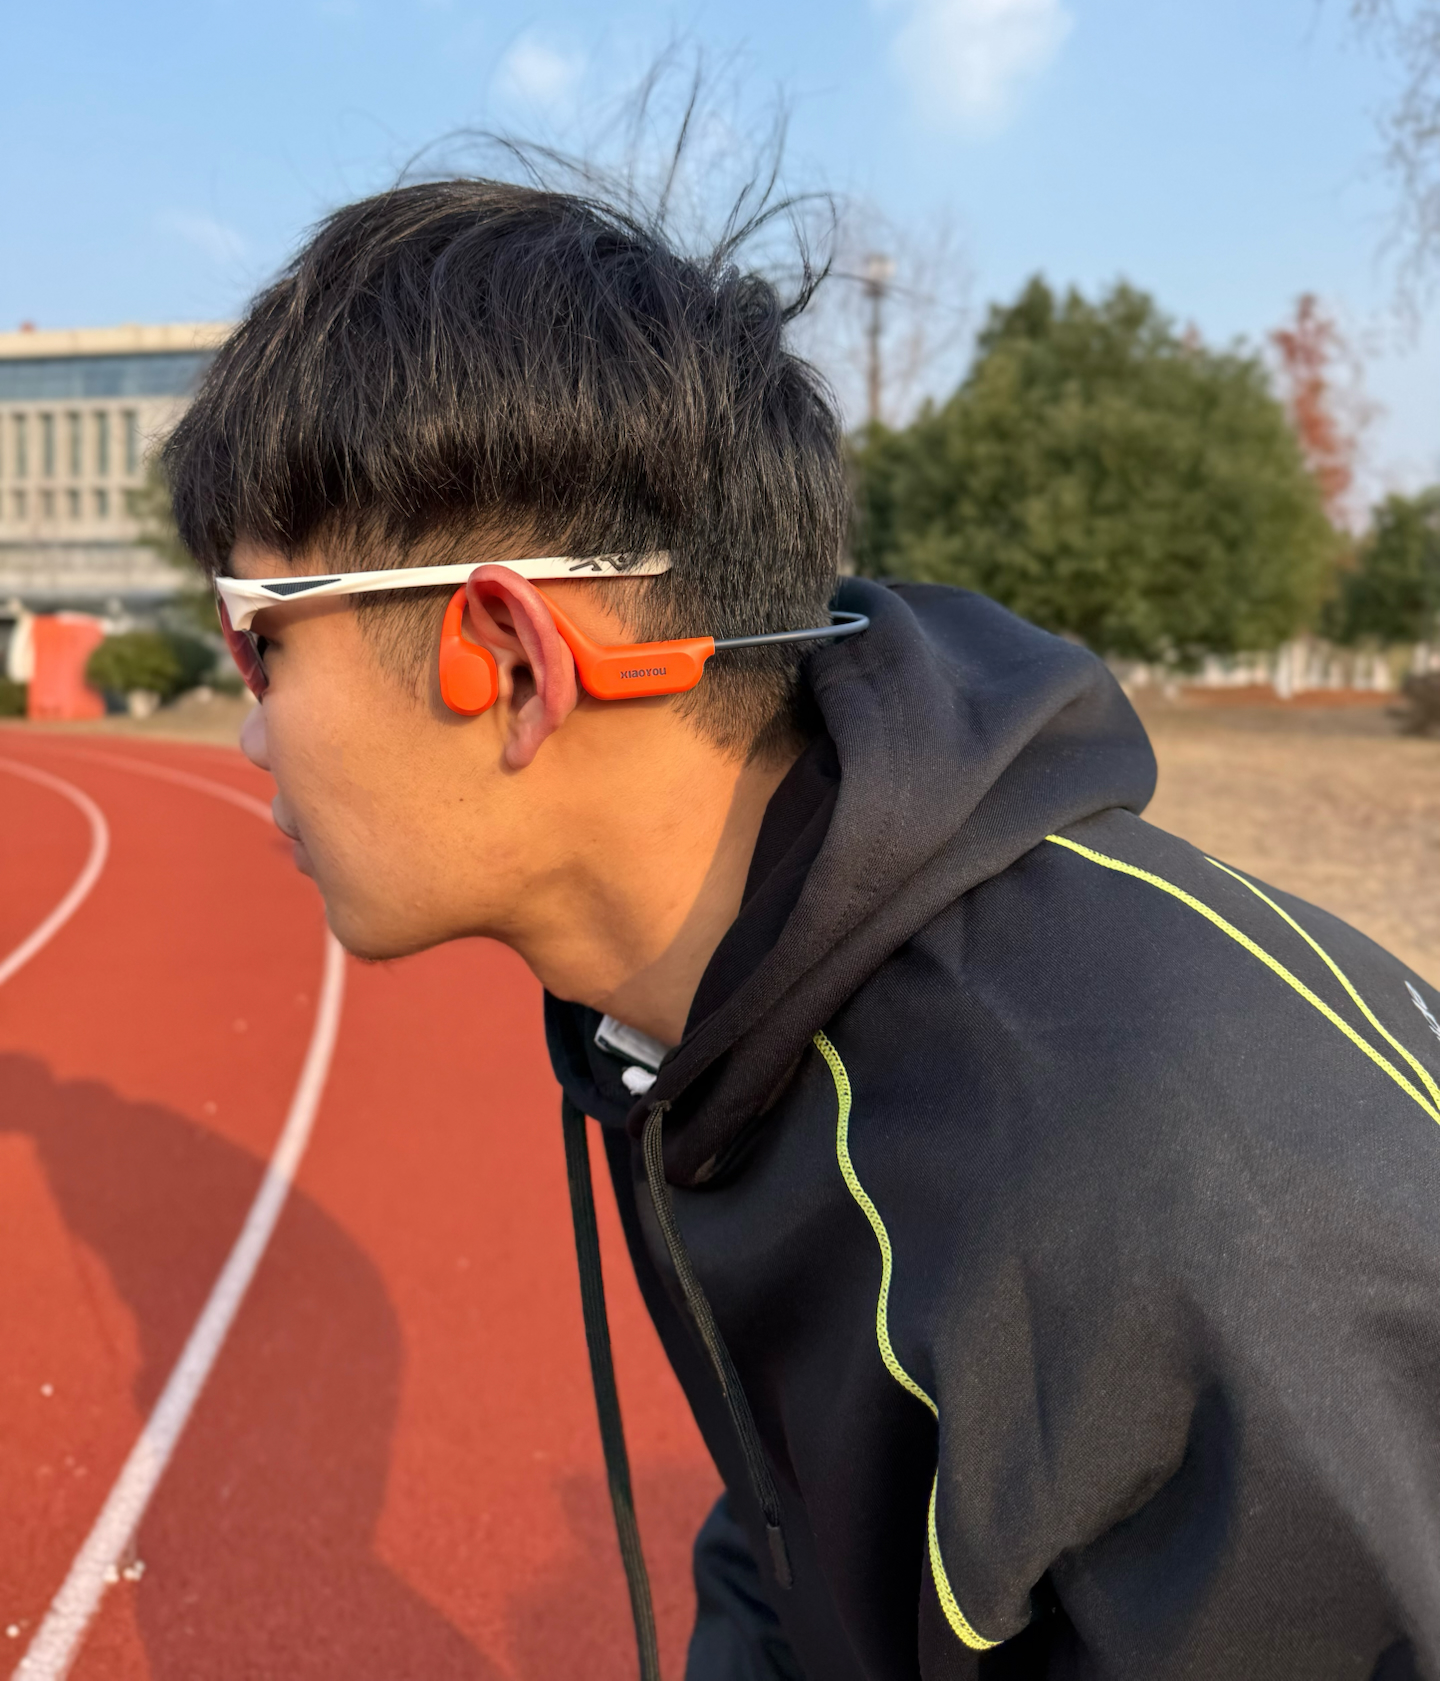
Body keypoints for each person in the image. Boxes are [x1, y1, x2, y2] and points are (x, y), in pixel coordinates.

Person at [166, 176, 1440, 1681]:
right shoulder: (710, 1015)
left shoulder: (1163, 1196)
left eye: (259, 637)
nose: (250, 732)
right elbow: (794, 1524)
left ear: (505, 659)